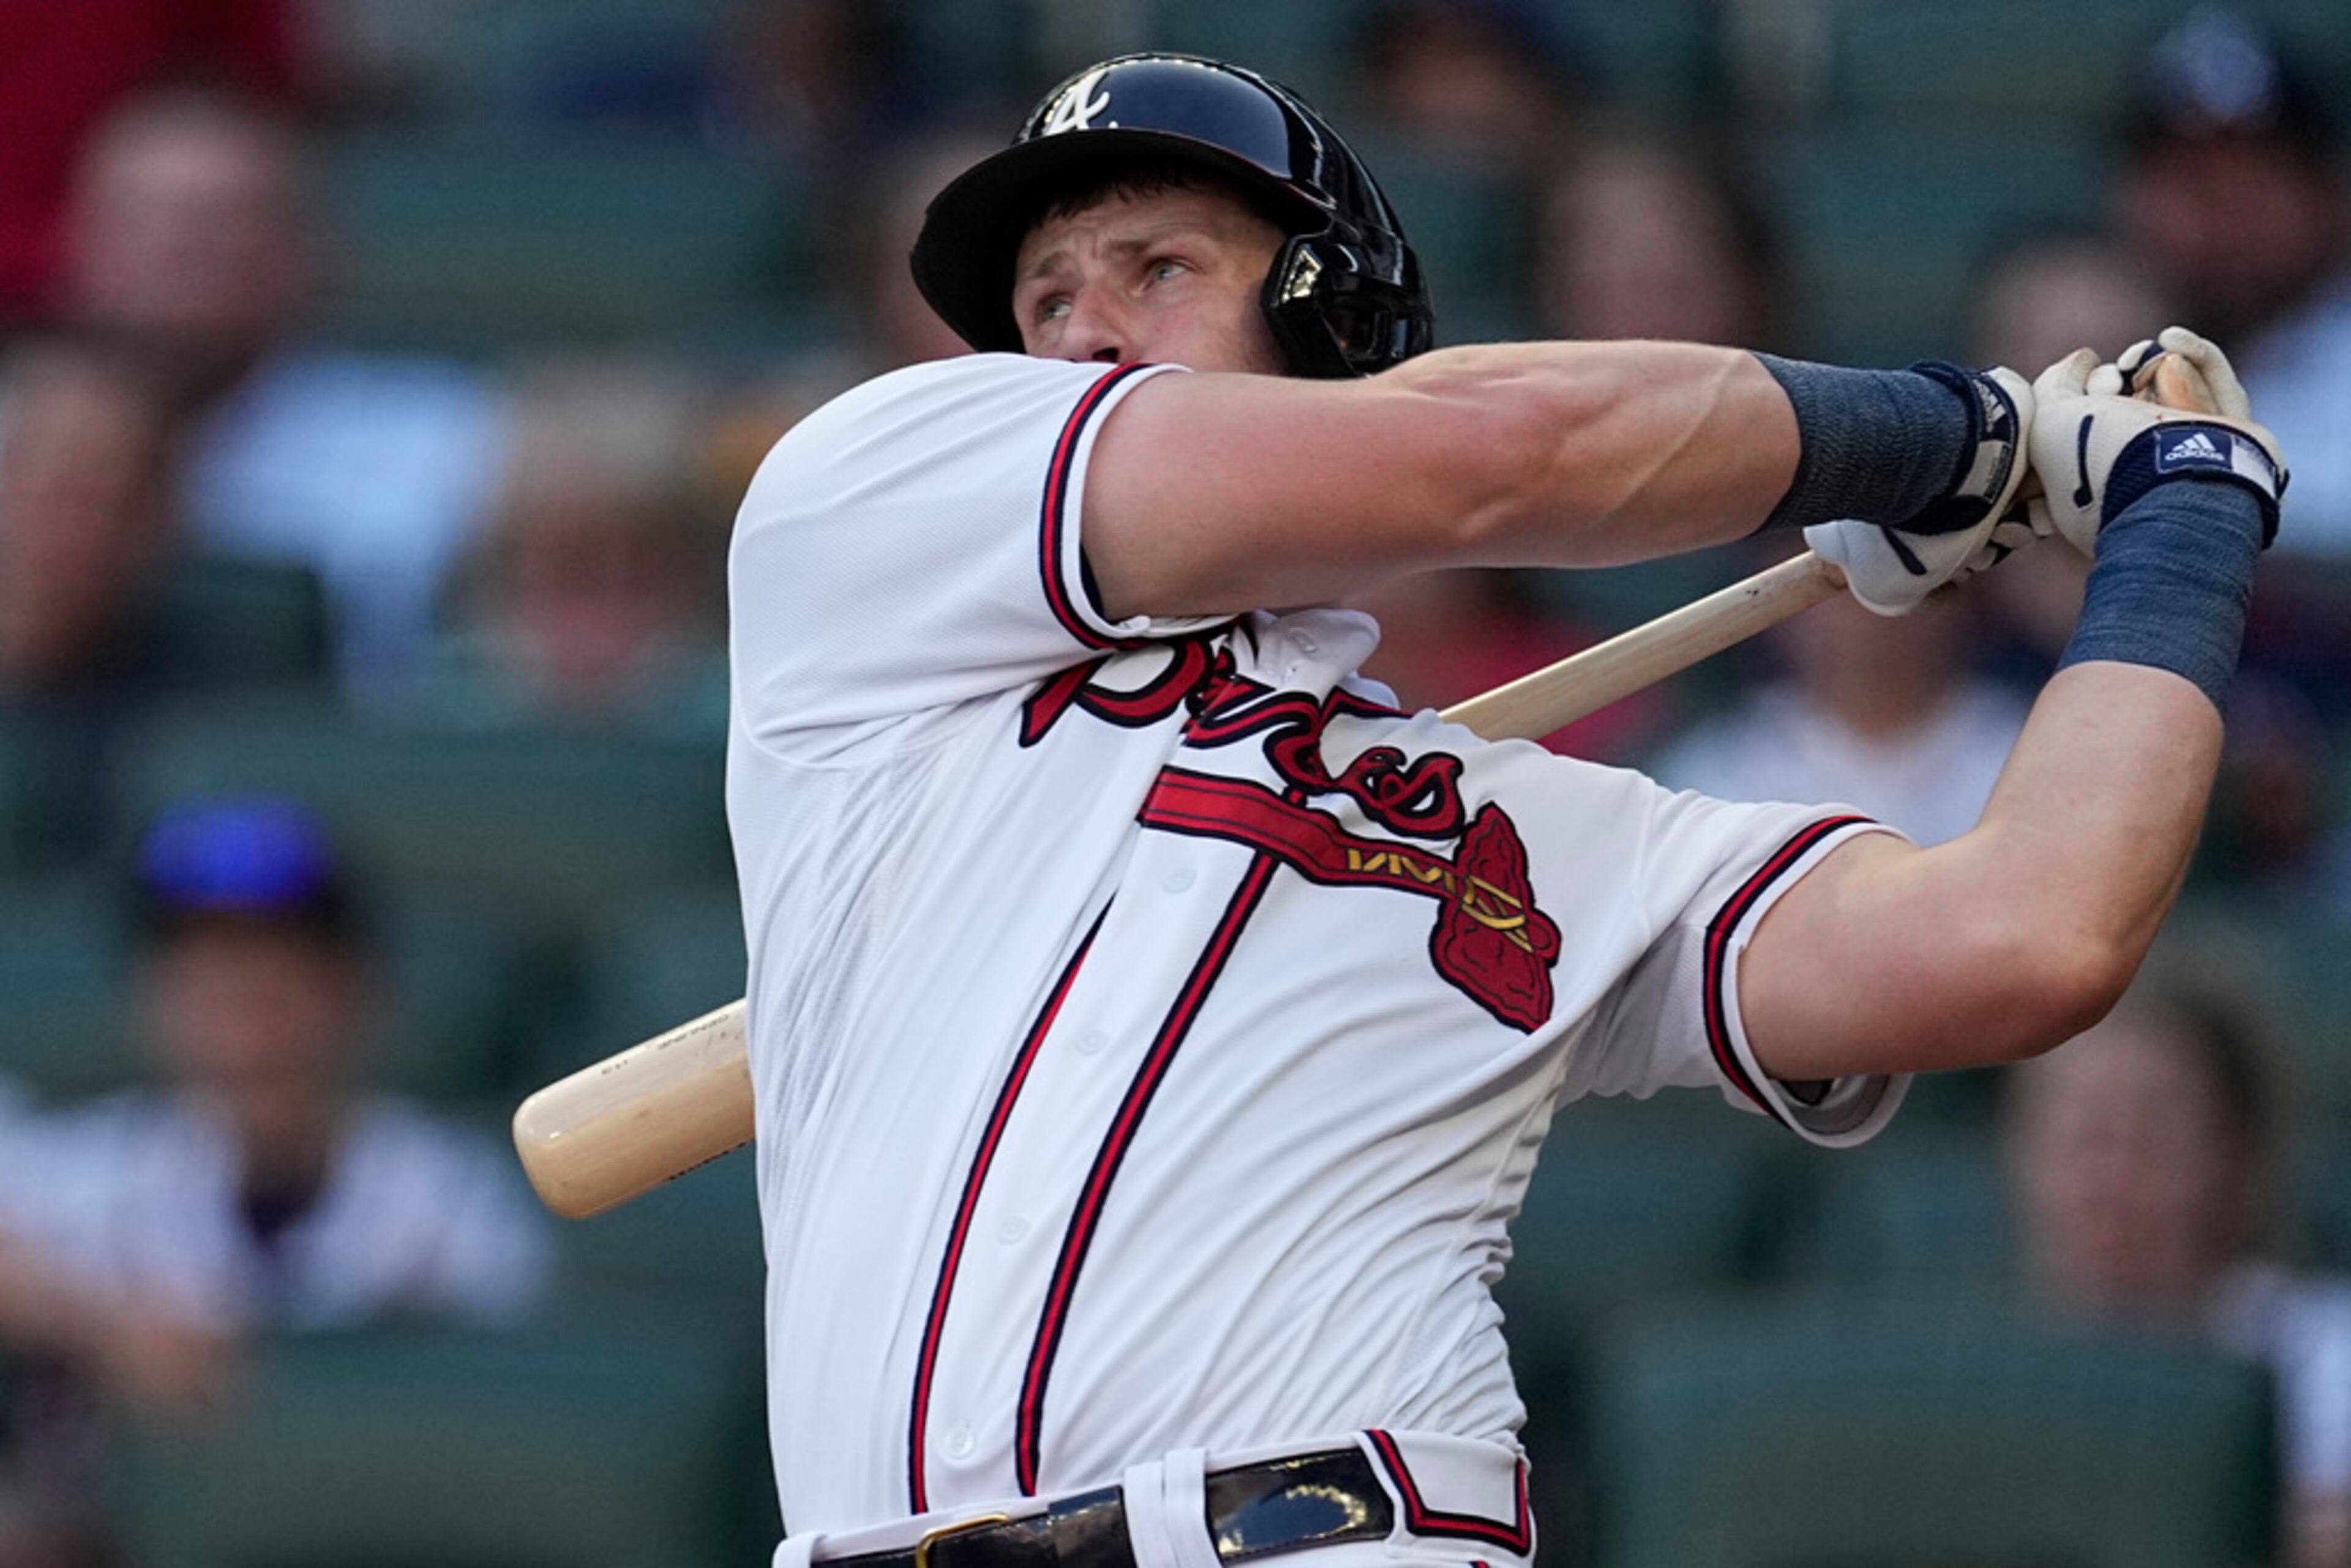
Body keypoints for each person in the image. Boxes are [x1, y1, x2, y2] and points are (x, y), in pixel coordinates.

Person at [725, 53, 2286, 1567]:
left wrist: (2180, 527)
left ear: (1324, 320)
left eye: (1154, 269)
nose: (1078, 337)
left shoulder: (1520, 830)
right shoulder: (862, 526)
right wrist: (1963, 439)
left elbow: (2024, 936)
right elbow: (1492, 448)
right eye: (1046, 297)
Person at [0, 796, 551, 1559]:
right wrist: (99, 1322)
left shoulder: (444, 1190)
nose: (242, 1020)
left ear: (356, 992)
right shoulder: (102, 1164)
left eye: (274, 981)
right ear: (152, 1002)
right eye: (207, 984)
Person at [62, 86, 506, 699]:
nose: (184, 251)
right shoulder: (17, 440)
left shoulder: (450, 443)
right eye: (148, 219)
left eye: (222, 221)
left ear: (310, 251)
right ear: (84, 248)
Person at [2003, 969, 2351, 1568]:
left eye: (2150, 1135)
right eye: (2085, 1136)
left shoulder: (2326, 1354)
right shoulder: (1984, 1372)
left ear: (2236, 1156)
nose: (2109, 1180)